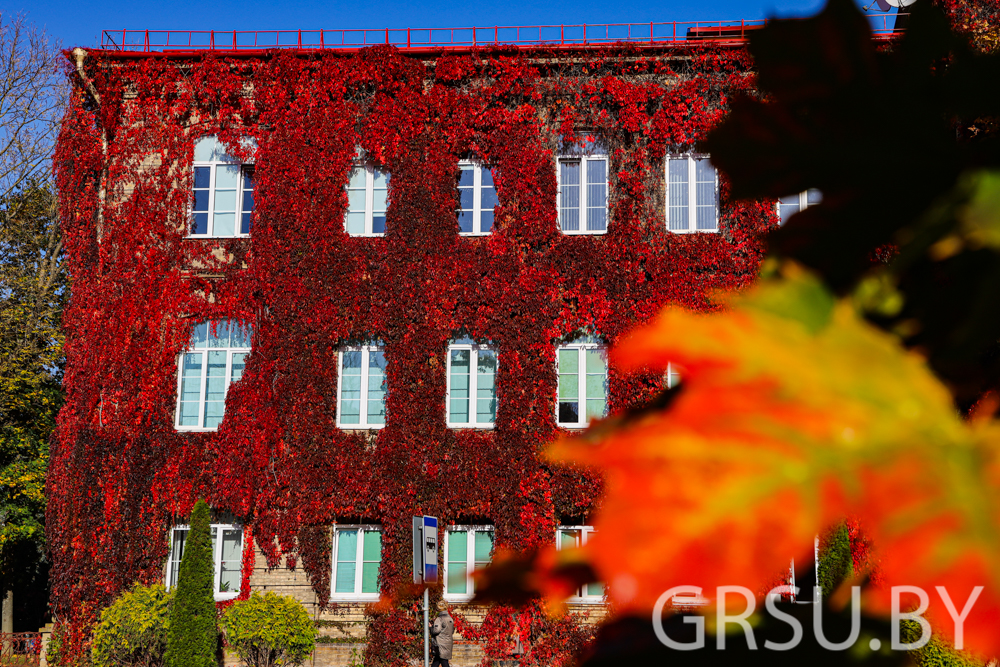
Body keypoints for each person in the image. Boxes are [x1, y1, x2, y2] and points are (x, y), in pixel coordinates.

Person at [430, 599, 454, 667]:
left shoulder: (440, 618)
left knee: (444, 662)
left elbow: (436, 630)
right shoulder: (450, 618)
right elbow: (452, 631)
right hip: (448, 644)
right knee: (437, 662)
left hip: (440, 645)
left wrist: (431, 628)